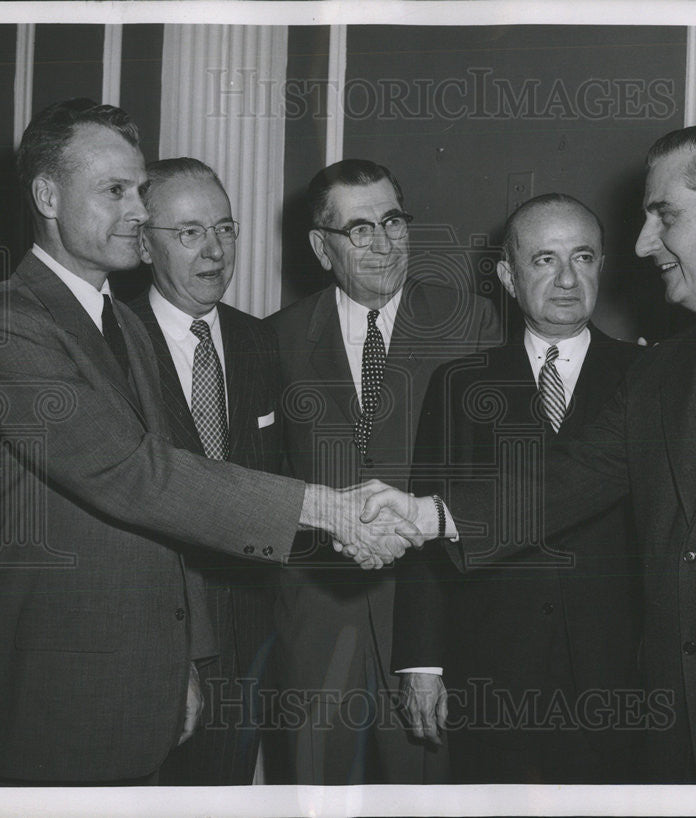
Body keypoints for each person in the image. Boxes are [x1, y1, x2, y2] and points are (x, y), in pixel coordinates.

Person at [364, 124, 696, 785]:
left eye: (664, 216)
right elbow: (570, 477)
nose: (644, 244)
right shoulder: (665, 368)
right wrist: (431, 516)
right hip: (667, 727)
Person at [0, 99, 416, 786]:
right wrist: (330, 509)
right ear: (47, 195)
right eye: (114, 190)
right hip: (48, 691)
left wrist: (189, 660)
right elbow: (137, 474)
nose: (138, 211)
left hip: (140, 679)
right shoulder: (9, 328)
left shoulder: (118, 322)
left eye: (140, 191)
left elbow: (163, 521)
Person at [260, 158, 501, 784]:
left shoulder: (472, 322)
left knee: (426, 792)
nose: (385, 242)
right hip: (315, 619)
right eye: (360, 228)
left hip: (430, 621)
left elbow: (489, 479)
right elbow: (265, 480)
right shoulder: (277, 339)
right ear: (321, 246)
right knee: (315, 791)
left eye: (393, 220)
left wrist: (435, 653)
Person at [391, 193, 643, 783]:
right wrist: (420, 665)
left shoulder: (650, 378)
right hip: (492, 670)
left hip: (620, 674)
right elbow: (428, 529)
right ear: (507, 275)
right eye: (544, 260)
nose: (566, 279)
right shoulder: (459, 385)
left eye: (583, 257)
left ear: (602, 265)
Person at [127, 157, 286, 784]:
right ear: (144, 243)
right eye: (189, 232)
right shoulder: (112, 344)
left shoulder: (262, 343)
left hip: (251, 641)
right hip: (156, 641)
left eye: (226, 228)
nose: (216, 250)